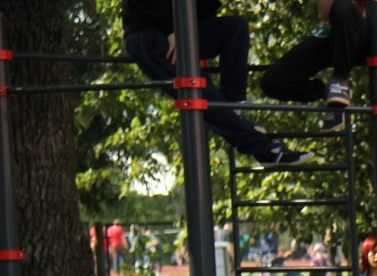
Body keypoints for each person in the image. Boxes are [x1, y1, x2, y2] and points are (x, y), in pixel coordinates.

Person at [122, 0, 311, 167]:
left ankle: (234, 108)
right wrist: (172, 28)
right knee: (200, 92)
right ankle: (263, 149)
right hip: (150, 33)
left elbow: (203, 12)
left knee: (235, 28)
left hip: (183, 29)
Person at [259, 0, 368, 133]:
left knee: (342, 6)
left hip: (361, 33)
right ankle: (330, 93)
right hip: (332, 31)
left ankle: (340, 82)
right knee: (273, 82)